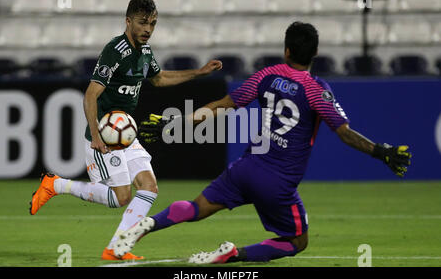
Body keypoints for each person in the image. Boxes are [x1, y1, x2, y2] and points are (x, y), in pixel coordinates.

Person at [112, 21, 412, 263]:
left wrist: (172, 123)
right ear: (315, 53)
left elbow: (221, 105)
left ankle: (146, 225)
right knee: (298, 241)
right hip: (278, 183)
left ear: (286, 51)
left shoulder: (267, 76)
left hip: (246, 168)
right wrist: (380, 151)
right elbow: (344, 131)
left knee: (196, 207)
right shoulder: (317, 90)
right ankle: (234, 254)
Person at [29, 0, 222, 261]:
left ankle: (116, 248)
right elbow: (90, 95)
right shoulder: (114, 51)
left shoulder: (144, 51)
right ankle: (57, 184)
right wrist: (96, 136)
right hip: (105, 136)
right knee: (121, 198)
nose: (148, 29)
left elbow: (159, 78)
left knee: (149, 188)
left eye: (152, 23)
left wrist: (199, 73)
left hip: (125, 134)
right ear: (128, 21)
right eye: (143, 23)